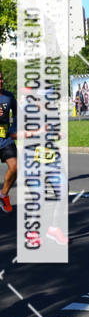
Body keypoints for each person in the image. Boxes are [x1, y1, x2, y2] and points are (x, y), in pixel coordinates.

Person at [0, 71, 17, 213]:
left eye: (1, 79)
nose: (0, 82)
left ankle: (3, 195)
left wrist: (14, 129)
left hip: (5, 138)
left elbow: (17, 115)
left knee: (15, 167)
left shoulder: (9, 96)